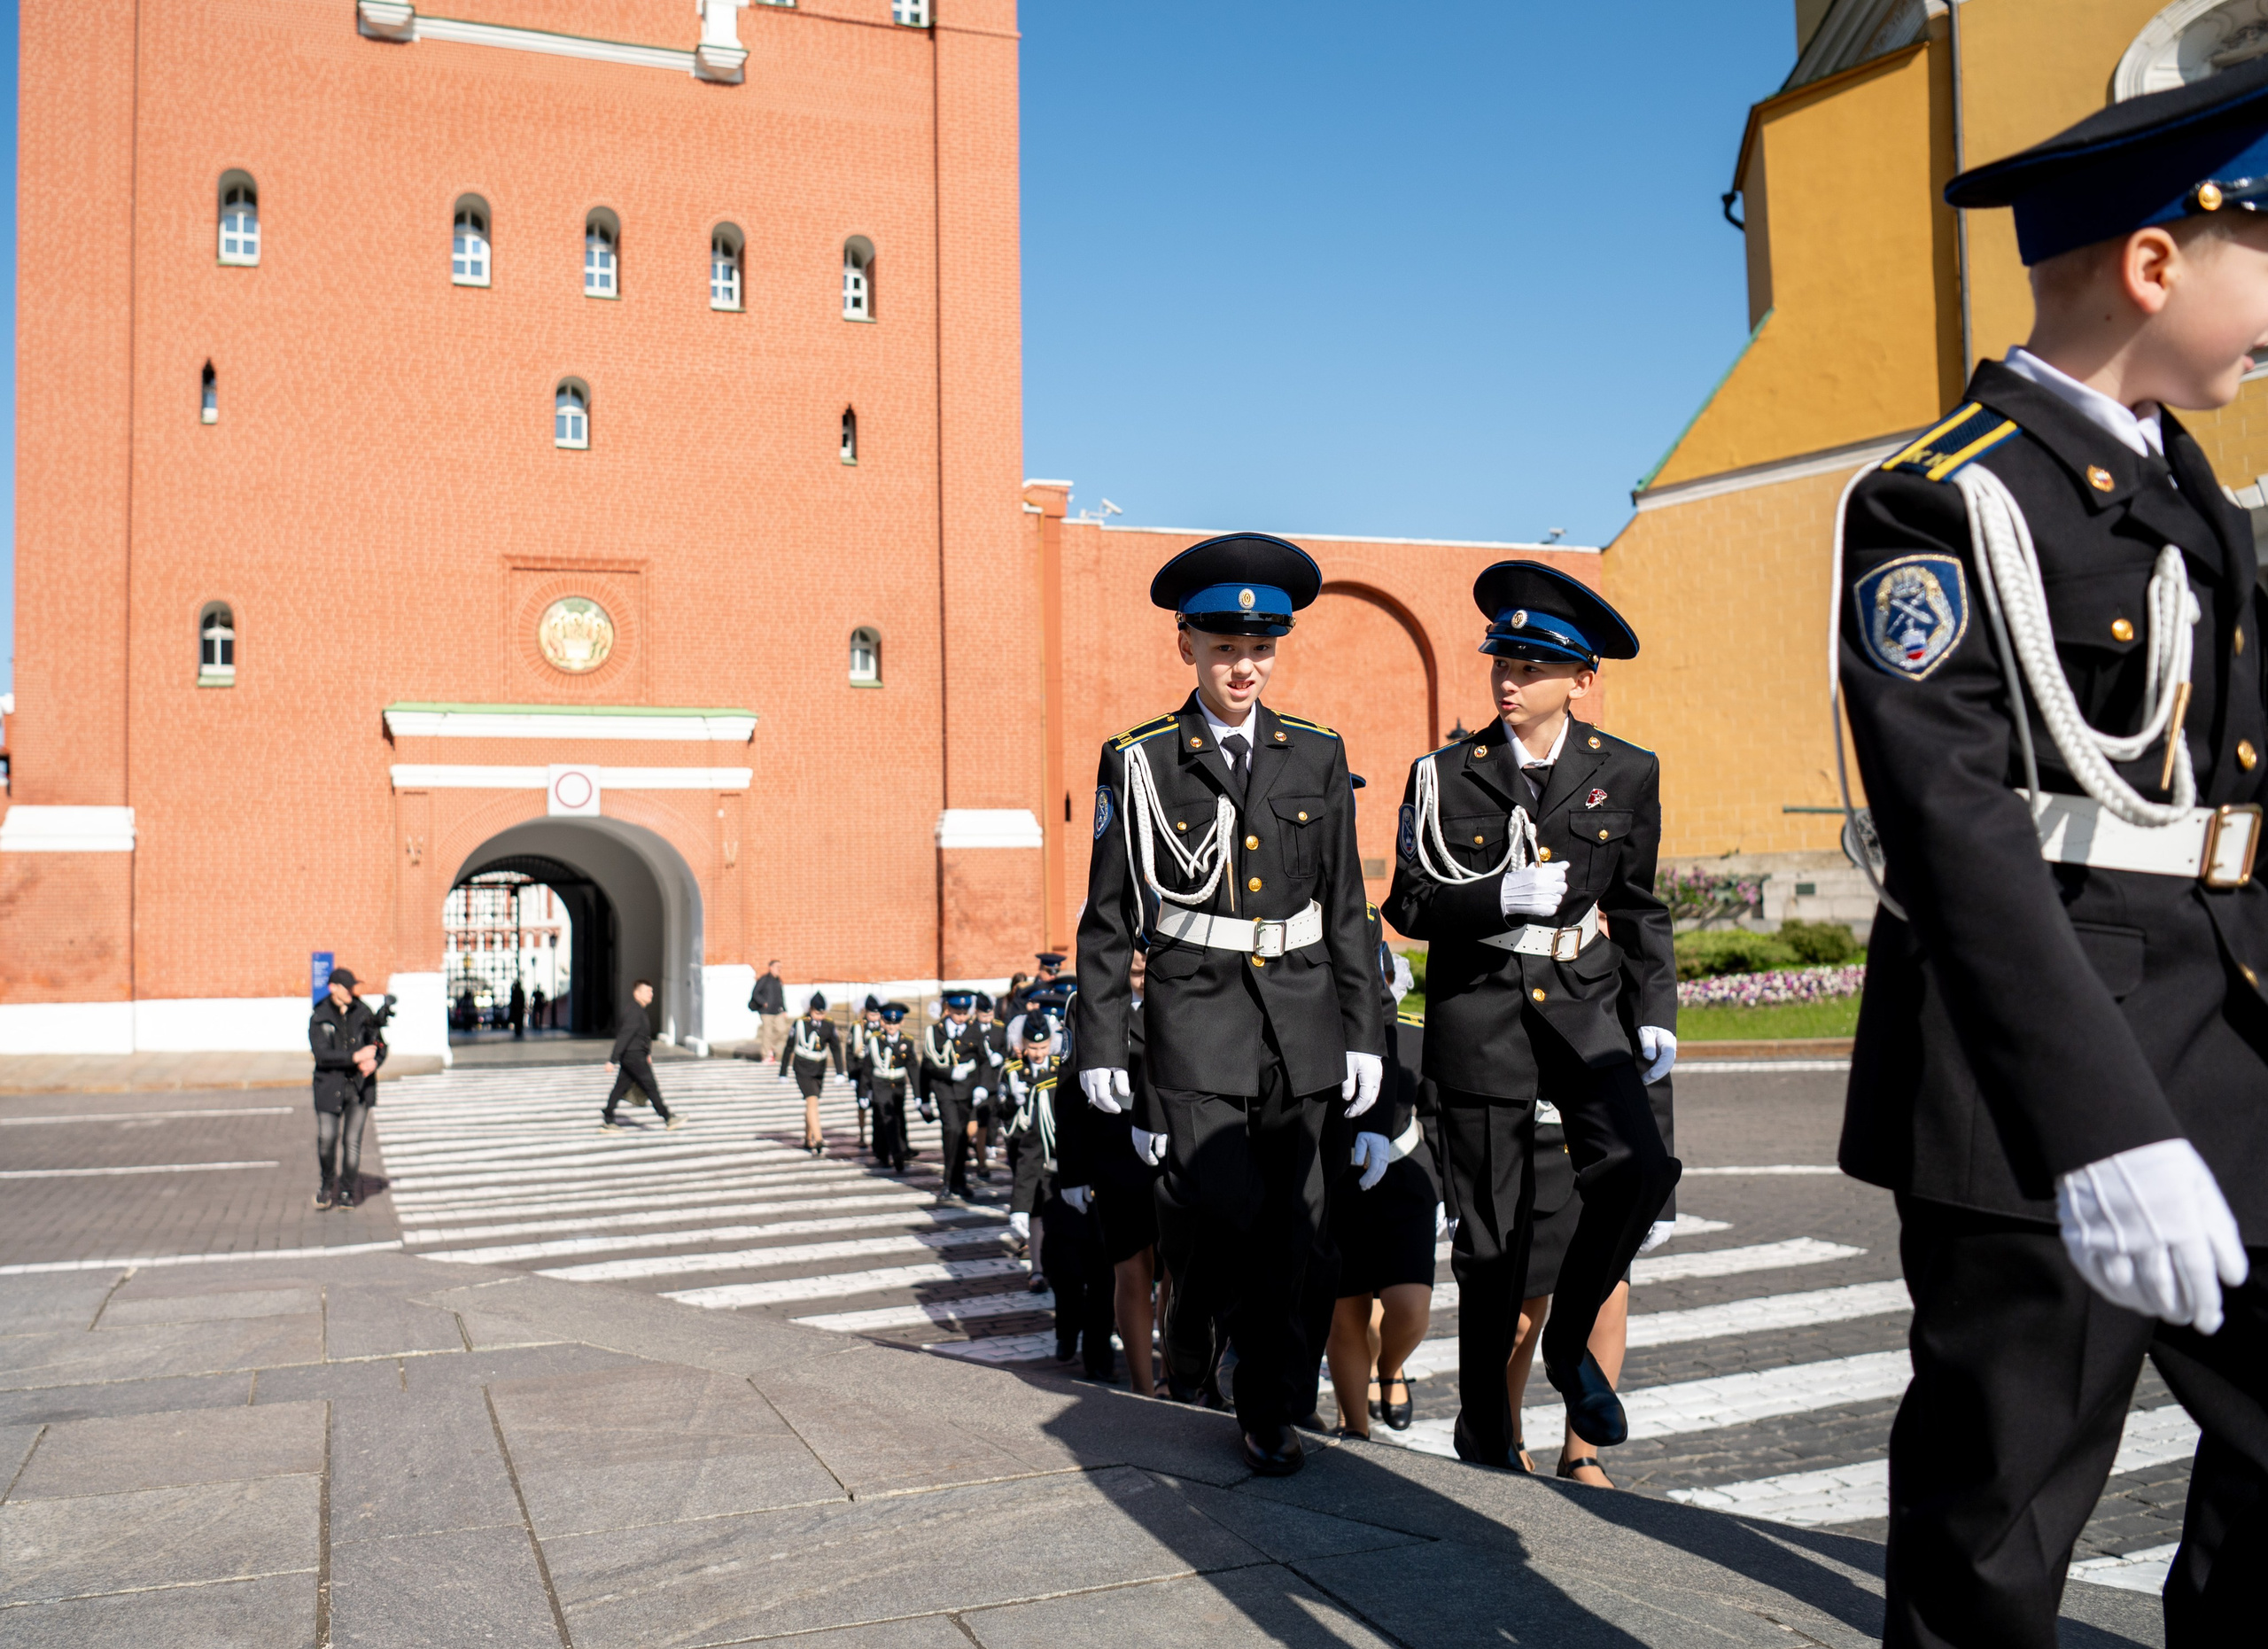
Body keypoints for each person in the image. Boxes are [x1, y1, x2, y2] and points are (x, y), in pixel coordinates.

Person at [1834, 64, 2268, 1648]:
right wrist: (2100, 1128)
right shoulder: (1949, 501)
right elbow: (1955, 834)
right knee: (1998, 1517)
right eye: (2267, 264)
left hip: (2228, 1042)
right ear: (2158, 264)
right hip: (2039, 1082)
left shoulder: (2189, 494)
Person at [1074, 531, 1386, 1477]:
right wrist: (1098, 1040)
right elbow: (1107, 914)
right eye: (1222, 650)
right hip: (1193, 1019)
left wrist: (1364, 1029)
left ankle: (1269, 1405)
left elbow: (1343, 905)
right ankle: (1205, 1323)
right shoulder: (1140, 760)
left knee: (1298, 1227)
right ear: (1187, 649)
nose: (1241, 667)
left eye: (1257, 651)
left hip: (1300, 1022)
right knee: (1228, 1209)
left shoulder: (1318, 754)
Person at [1382, 560, 1680, 1468]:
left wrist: (1654, 1004)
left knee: (1638, 1167)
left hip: (1582, 1003)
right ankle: (1485, 1433)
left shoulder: (1625, 770)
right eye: (1500, 663)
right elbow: (1409, 903)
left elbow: (1635, 903)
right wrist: (1496, 895)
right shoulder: (1442, 774)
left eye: (1530, 667)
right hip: (1479, 1012)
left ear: (1580, 680)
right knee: (1491, 1240)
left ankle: (1566, 1339)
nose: (1507, 681)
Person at [1325, 929, 1441, 1440]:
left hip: (1402, 1182)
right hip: (1334, 1186)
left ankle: (1390, 1368)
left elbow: (1439, 1117)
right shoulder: (1316, 1036)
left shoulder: (1413, 1035)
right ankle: (1355, 1427)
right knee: (1344, 1311)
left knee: (1409, 1306)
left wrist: (1445, 1192)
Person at [308, 967, 380, 1210]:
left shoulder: (363, 1012)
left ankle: (347, 1190)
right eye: (346, 987)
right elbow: (322, 1055)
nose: (351, 991)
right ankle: (327, 1185)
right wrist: (355, 1057)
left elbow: (379, 1043)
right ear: (333, 988)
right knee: (326, 1138)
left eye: (352, 987)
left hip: (359, 1088)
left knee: (352, 1141)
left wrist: (375, 1060)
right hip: (329, 1087)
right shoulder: (320, 1016)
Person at [922, 991, 987, 1203]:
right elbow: (928, 1065)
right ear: (948, 1010)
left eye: (964, 1012)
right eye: (957, 1012)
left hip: (967, 1091)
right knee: (952, 1130)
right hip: (945, 1090)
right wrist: (949, 1073)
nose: (962, 1016)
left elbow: (983, 1060)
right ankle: (948, 1181)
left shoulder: (974, 1030)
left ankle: (959, 1180)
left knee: (961, 1135)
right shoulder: (935, 1032)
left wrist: (982, 1087)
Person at [602, 979, 676, 1130]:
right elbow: (625, 1036)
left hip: (634, 1055)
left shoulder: (638, 1010)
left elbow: (642, 1035)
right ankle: (668, 1117)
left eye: (651, 991)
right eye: (648, 991)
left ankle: (608, 1119)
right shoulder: (634, 1012)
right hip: (634, 1056)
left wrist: (647, 1052)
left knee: (620, 1087)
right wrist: (612, 1060)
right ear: (637, 994)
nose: (651, 994)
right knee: (650, 1086)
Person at [862, 1002, 919, 1175]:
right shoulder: (874, 1041)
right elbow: (867, 1068)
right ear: (883, 1022)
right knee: (886, 1117)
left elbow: (913, 1068)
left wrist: (919, 1094)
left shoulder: (907, 1041)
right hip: (880, 1083)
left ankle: (892, 1149)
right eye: (889, 1023)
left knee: (897, 1116)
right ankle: (895, 1154)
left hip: (898, 1084)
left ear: (901, 1023)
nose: (892, 1026)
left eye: (895, 1023)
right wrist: (864, 1092)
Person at [785, 993, 844, 1155]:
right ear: (810, 1010)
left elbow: (836, 1048)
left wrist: (840, 1071)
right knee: (812, 1100)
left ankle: (807, 1137)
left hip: (819, 1068)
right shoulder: (800, 1023)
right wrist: (783, 1072)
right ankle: (818, 1139)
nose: (820, 1016)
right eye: (817, 1012)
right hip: (802, 1067)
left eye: (822, 1013)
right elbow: (789, 1046)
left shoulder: (828, 1025)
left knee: (812, 1102)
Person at [850, 996, 883, 1154]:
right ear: (865, 1012)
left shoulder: (884, 1027)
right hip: (861, 1068)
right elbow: (850, 1052)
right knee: (862, 1105)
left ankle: (878, 1136)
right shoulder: (858, 1027)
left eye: (877, 1014)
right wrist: (852, 1075)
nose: (875, 1017)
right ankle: (862, 1133)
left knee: (877, 1104)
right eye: (872, 1014)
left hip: (877, 1069)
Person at [750, 960, 789, 1066]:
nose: (779, 969)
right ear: (771, 967)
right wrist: (764, 1003)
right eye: (777, 967)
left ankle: (769, 1047)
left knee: (782, 1029)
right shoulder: (764, 979)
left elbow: (781, 997)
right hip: (766, 1012)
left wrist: (784, 1009)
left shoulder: (778, 981)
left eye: (780, 967)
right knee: (767, 1033)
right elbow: (755, 993)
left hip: (777, 1011)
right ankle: (765, 1055)